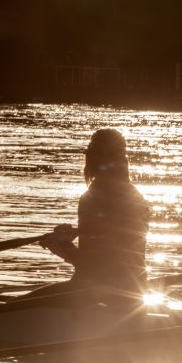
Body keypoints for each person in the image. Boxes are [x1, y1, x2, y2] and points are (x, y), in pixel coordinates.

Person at [28, 128, 150, 304]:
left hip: (94, 294)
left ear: (92, 159)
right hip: (134, 293)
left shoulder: (92, 198)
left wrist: (61, 245)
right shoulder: (137, 197)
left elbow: (90, 268)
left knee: (8, 309)